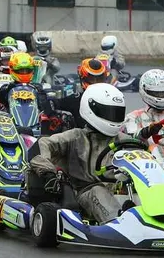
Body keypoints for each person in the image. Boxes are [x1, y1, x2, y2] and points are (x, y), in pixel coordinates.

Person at [28, 83, 131, 223]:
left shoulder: (126, 140)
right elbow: (41, 145)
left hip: (122, 191)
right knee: (98, 191)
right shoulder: (75, 137)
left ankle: (160, 221)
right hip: (83, 193)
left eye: (117, 113)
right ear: (91, 109)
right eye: (109, 113)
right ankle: (120, 224)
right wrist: (48, 173)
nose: (113, 117)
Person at [120, 69, 164, 145]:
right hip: (146, 155)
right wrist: (147, 132)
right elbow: (130, 140)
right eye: (157, 94)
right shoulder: (133, 118)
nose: (162, 97)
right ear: (144, 91)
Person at [50, 57, 110, 128]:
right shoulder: (76, 99)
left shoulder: (112, 97)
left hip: (109, 135)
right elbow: (54, 103)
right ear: (82, 77)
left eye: (99, 79)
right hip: (84, 135)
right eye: (92, 79)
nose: (95, 82)